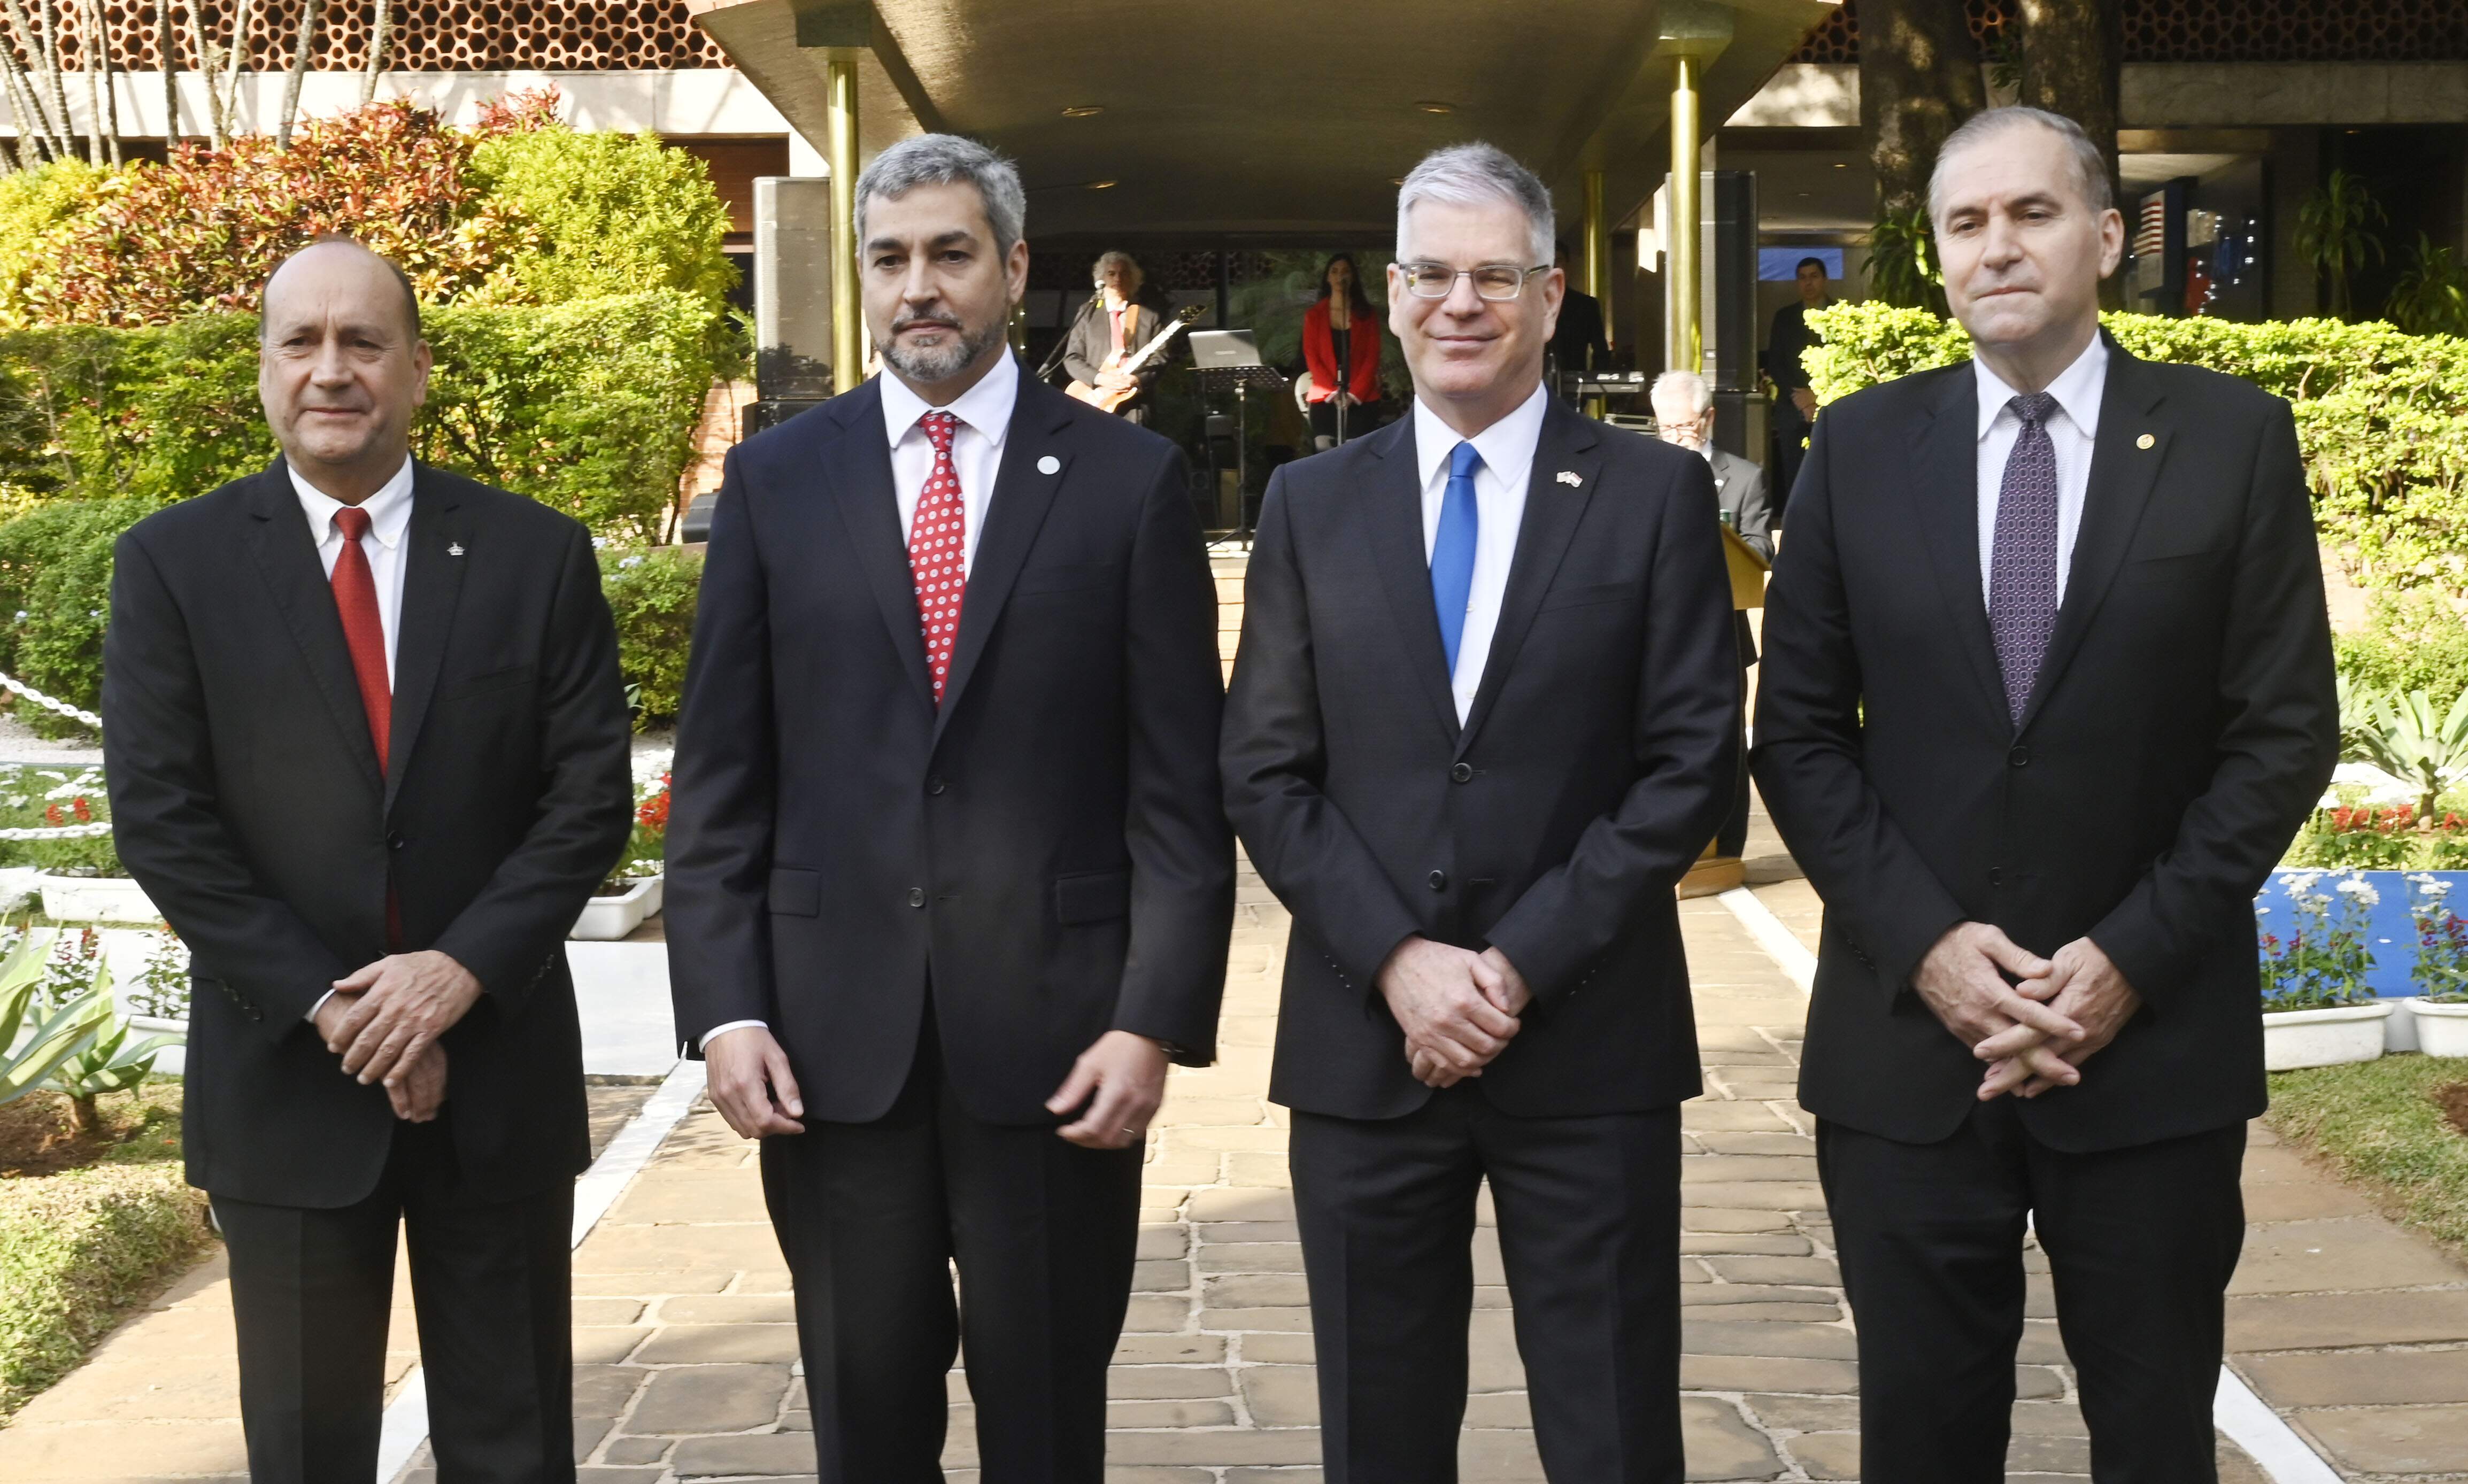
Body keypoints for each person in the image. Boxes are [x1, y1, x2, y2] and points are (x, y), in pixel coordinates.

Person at [1752, 106, 2338, 1483]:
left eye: (2030, 213)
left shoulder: (2227, 439)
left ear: (2108, 238)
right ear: (1939, 259)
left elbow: (2281, 732)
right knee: (1924, 1435)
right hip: (1908, 1053)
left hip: (2148, 1051)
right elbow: (1796, 734)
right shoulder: (1858, 446)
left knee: (2149, 1440)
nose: (1996, 247)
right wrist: (1934, 949)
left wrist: (2126, 959)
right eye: (1965, 224)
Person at [666, 134, 1233, 1481]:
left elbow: (1177, 796)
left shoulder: (1123, 484)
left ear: (1015, 269)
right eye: (891, 258)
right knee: (866, 1420)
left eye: (950, 253)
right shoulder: (776, 481)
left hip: (1058, 1047)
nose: (919, 285)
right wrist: (726, 1006)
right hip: (828, 1050)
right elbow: (723, 774)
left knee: (1044, 1420)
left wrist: (1152, 1016)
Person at [1222, 142, 1738, 1482]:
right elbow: (1265, 769)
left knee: (1613, 1428)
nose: (1462, 302)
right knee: (1378, 1436)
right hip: (1362, 1042)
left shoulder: (1652, 497)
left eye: (1493, 276)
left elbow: (1688, 766)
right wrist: (1401, 960)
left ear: (1550, 294)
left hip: (1588, 1040)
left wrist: (1512, 963)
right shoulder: (1307, 503)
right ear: (1389, 296)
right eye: (1433, 275)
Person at [102, 238, 635, 1484]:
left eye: (362, 342)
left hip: (495, 1077)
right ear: (263, 371)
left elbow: (585, 797)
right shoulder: (173, 565)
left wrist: (454, 974)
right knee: (303, 1447)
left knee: (513, 1445)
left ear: (417, 368)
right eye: (302, 342)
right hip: (286, 1083)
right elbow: (165, 822)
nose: (330, 370)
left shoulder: (532, 553)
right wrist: (342, 1004)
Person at [1651, 368, 1768, 861]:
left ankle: (1729, 847)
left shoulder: (1743, 478)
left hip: (1723, 633)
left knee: (1723, 743)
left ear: (1710, 418)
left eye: (1688, 427)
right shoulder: (1641, 471)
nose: (1678, 437)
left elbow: (1762, 547)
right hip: (1653, 637)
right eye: (1668, 428)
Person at [1061, 249, 1170, 423]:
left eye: (1124, 274)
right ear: (1101, 280)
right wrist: (1100, 379)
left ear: (1133, 279)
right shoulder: (1088, 313)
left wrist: (1136, 380)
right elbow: (1072, 358)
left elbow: (1161, 359)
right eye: (1111, 273)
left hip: (1135, 407)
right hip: (1096, 404)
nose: (1118, 279)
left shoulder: (1148, 317)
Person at [1763, 254, 1831, 515]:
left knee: (1828, 469)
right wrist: (1801, 399)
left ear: (1824, 279)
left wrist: (1816, 398)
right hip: (1791, 407)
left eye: (1814, 276)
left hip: (1829, 404)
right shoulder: (1785, 317)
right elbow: (1776, 363)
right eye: (1803, 278)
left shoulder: (1841, 315)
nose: (1808, 283)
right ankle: (1795, 523)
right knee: (1794, 470)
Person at [1302, 252, 1383, 449]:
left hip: (1362, 396)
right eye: (1335, 271)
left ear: (1353, 277)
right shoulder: (1314, 316)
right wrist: (1333, 393)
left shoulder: (1367, 314)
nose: (1340, 276)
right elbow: (1312, 356)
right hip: (1325, 396)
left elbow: (1372, 356)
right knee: (1324, 451)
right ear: (1328, 278)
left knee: (1358, 454)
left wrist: (1354, 394)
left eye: (1346, 272)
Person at [1547, 239, 1609, 403]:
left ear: (1568, 265)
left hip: (1575, 387)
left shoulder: (1586, 305)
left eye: (1558, 260)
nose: (1554, 265)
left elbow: (1600, 349)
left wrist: (1594, 383)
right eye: (1549, 261)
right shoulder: (1531, 304)